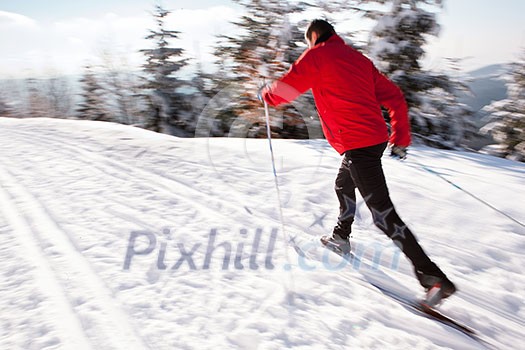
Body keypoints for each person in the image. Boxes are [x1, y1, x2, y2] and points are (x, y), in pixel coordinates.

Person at [260, 19, 456, 302]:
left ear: (313, 36)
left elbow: (285, 91)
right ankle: (341, 237)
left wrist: (265, 94)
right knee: (343, 184)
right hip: (372, 141)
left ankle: (433, 278)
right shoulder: (359, 60)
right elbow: (395, 97)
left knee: (383, 215)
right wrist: (399, 138)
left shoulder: (317, 55)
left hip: (358, 144)